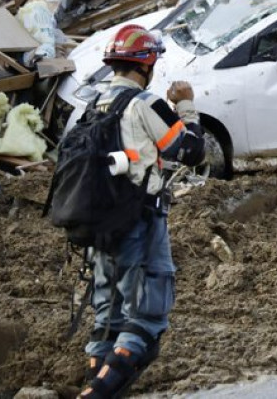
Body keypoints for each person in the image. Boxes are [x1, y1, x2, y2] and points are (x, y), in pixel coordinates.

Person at [80, 24, 206, 398]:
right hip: (140, 221)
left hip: (99, 224)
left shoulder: (94, 104)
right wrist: (186, 105)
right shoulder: (145, 105)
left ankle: (96, 382)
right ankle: (96, 394)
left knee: (108, 318)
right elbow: (191, 151)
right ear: (146, 64)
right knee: (146, 319)